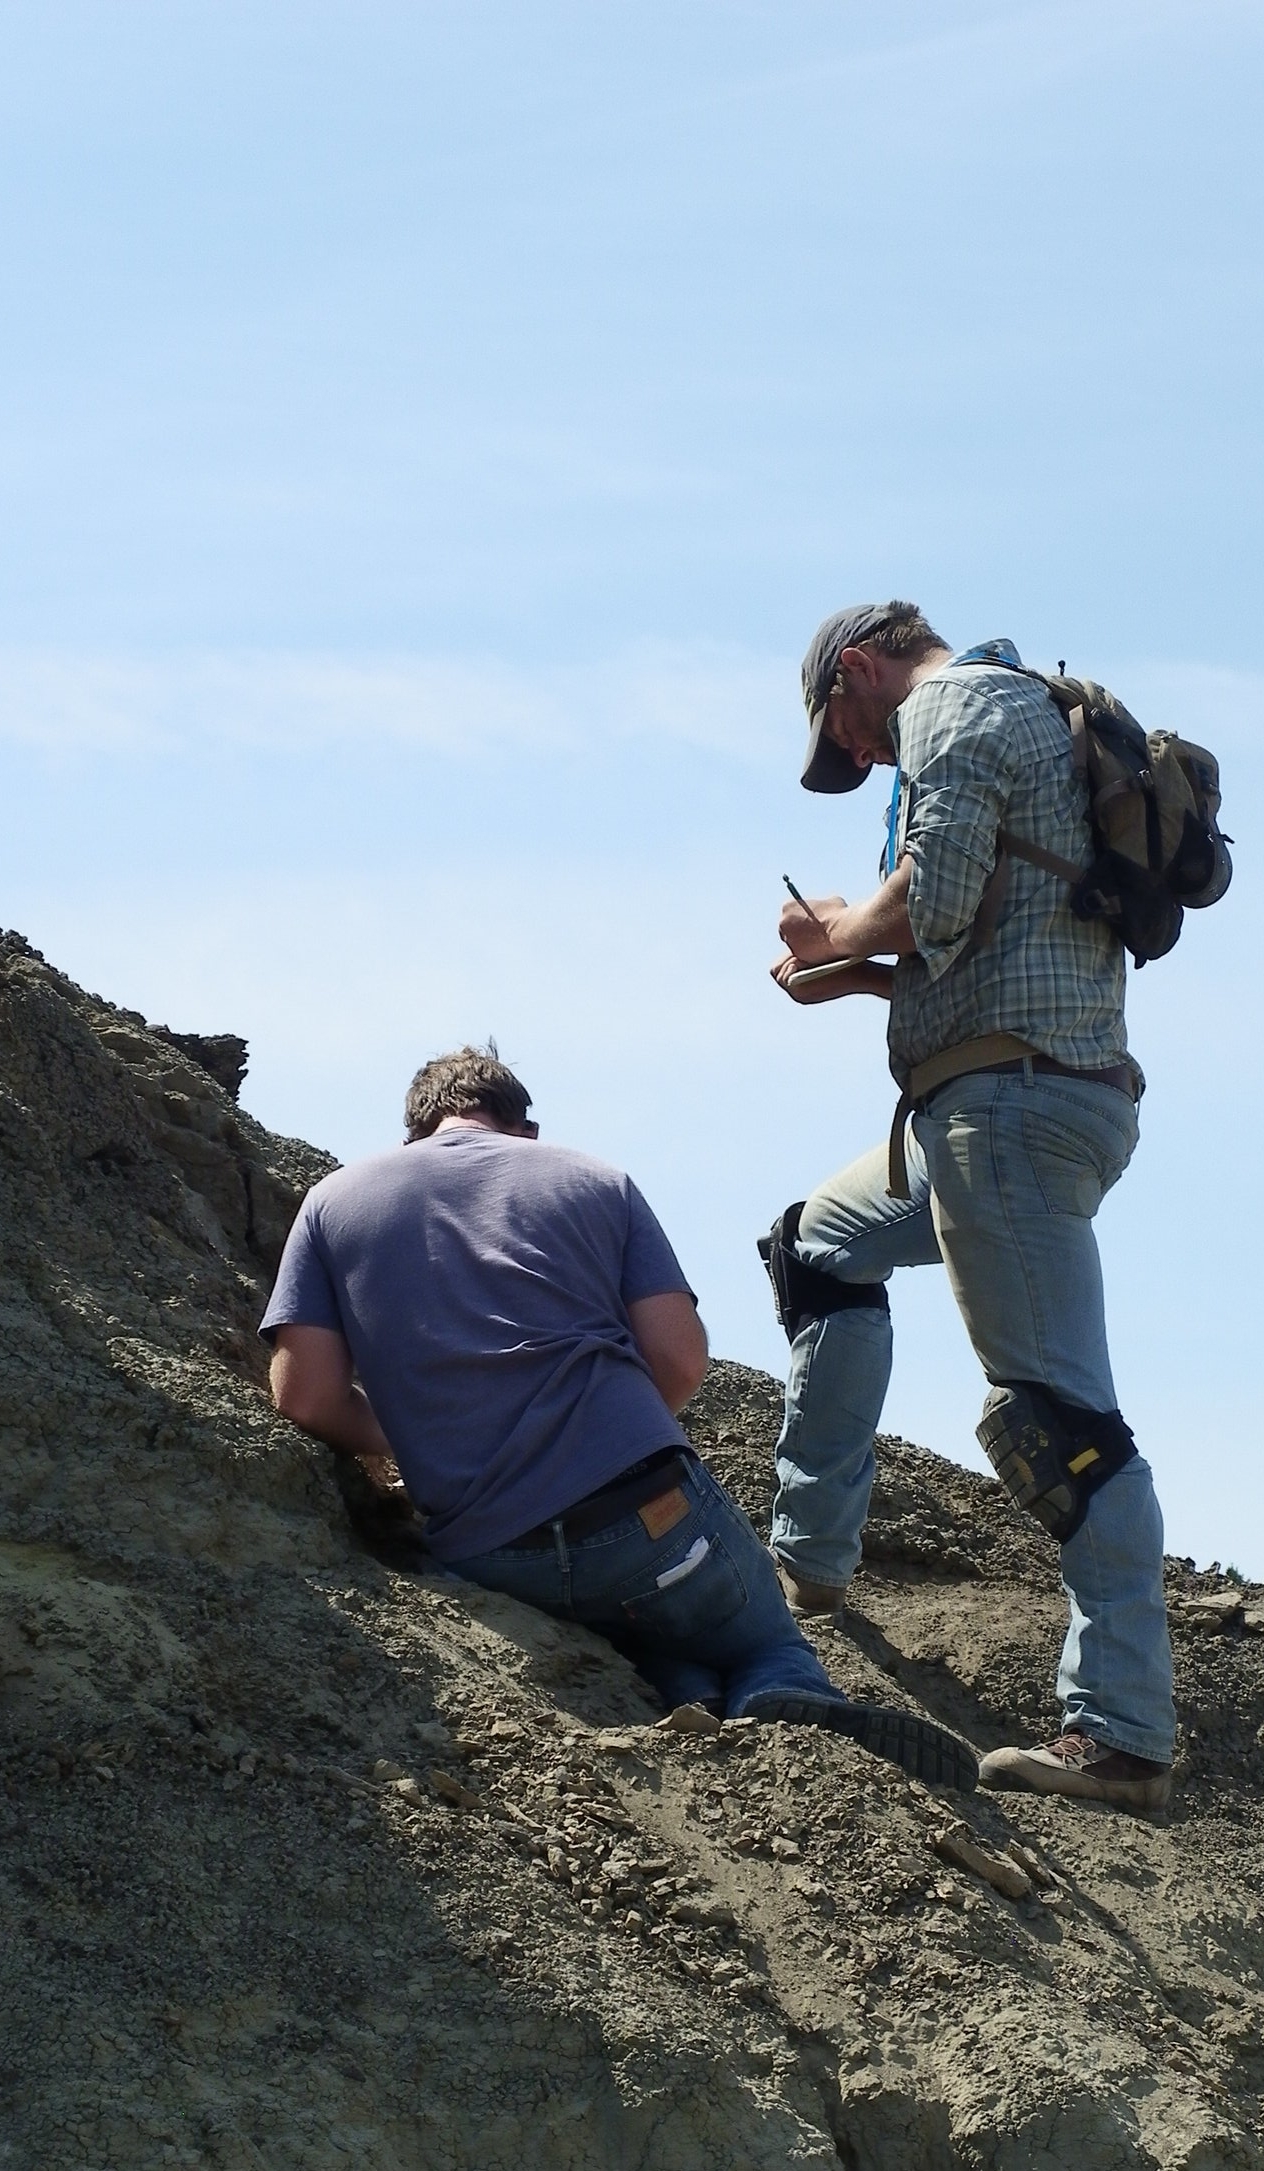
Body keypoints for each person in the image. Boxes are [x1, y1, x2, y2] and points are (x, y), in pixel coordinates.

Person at [261, 1044, 975, 1792]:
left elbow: (304, 1395)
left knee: (623, 1624)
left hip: (489, 1553)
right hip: (647, 1518)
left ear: (414, 1134)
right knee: (761, 1631)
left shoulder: (331, 1203)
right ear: (523, 1129)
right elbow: (679, 1358)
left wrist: (408, 1437)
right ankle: (777, 1688)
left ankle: (689, 1691)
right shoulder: (592, 1177)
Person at [764, 601, 1175, 1813]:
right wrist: (840, 972)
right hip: (1022, 1094)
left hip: (1005, 1107)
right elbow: (976, 928)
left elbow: (932, 900)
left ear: (858, 672)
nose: (866, 759)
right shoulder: (1041, 709)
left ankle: (1124, 1733)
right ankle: (810, 1559)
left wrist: (831, 930)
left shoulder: (948, 707)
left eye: (851, 738)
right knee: (819, 1244)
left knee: (1058, 1417)